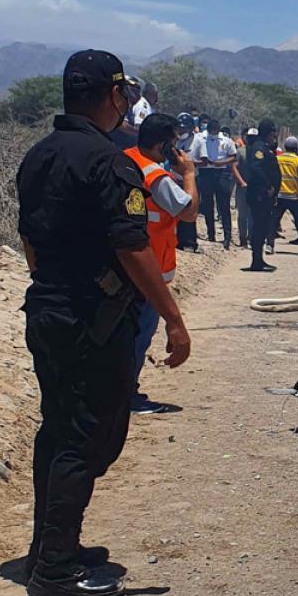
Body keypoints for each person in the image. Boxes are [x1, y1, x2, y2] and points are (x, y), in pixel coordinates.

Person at [16, 49, 191, 596]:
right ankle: (55, 571)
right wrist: (174, 319)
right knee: (87, 437)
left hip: (47, 308)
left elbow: (30, 240)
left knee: (58, 428)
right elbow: (132, 246)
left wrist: (55, 289)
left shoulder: (38, 156)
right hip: (93, 317)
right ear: (113, 96)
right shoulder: (111, 161)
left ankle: (50, 547)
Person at [123, 114, 199, 414]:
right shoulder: (157, 177)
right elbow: (189, 212)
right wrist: (189, 175)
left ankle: (122, 392)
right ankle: (128, 395)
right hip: (148, 271)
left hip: (127, 267)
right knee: (138, 337)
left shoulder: (128, 159)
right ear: (166, 144)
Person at [240, 119, 282, 271]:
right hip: (260, 193)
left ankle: (259, 259)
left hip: (265, 194)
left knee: (263, 226)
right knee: (259, 227)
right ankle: (256, 261)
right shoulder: (259, 147)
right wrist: (268, 185)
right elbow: (256, 168)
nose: (274, 136)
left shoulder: (265, 147)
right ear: (269, 133)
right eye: (273, 133)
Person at [191, 118, 237, 249]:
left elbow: (233, 156)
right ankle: (211, 233)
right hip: (206, 172)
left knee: (223, 205)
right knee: (207, 204)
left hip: (221, 172)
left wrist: (221, 163)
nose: (214, 133)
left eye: (216, 131)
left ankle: (227, 237)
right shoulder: (200, 138)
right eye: (212, 130)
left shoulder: (226, 140)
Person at [271, 136, 298, 254]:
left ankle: (269, 244)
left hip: (279, 195)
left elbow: (272, 175)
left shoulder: (277, 159)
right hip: (295, 196)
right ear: (296, 148)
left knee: (273, 221)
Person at [174, 112, 200, 252]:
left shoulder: (198, 140)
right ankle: (180, 240)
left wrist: (188, 163)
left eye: (185, 128)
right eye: (181, 128)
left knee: (190, 209)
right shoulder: (176, 141)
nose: (182, 130)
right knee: (178, 210)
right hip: (177, 178)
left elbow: (205, 160)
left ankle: (191, 242)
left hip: (192, 178)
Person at [233, 128, 256, 247]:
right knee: (242, 215)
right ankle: (243, 239)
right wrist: (241, 181)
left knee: (253, 214)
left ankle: (252, 238)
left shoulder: (260, 153)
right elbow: (234, 167)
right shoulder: (241, 152)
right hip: (243, 188)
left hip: (256, 188)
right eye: (249, 137)